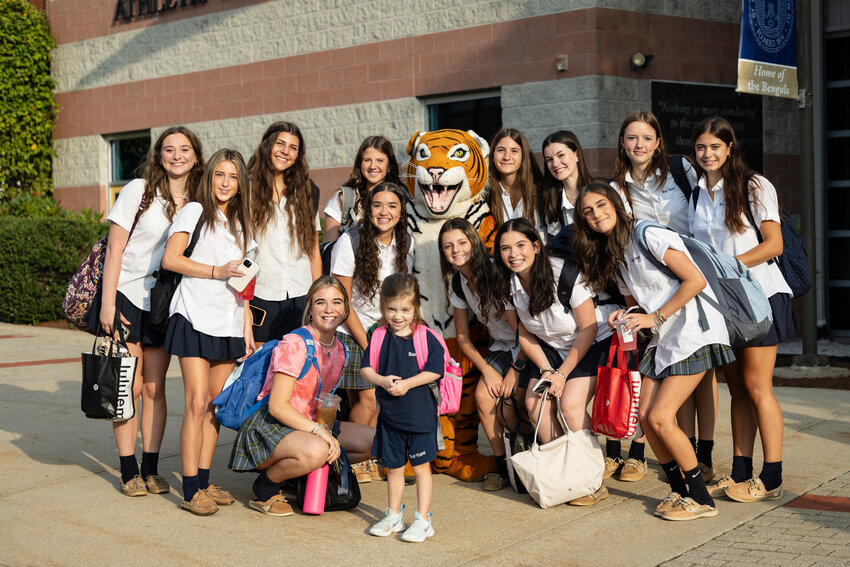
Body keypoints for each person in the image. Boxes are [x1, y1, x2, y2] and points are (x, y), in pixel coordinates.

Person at [573, 181, 734, 521]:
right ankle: (678, 492)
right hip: (665, 337)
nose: (596, 214)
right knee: (644, 419)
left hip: (694, 331)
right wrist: (627, 315)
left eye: (601, 205)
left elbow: (695, 280)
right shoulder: (614, 255)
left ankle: (702, 500)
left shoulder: (647, 233)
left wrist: (654, 316)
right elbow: (637, 304)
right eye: (588, 212)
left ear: (617, 205)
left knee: (660, 417)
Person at [92, 126, 204, 497]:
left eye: (184, 149)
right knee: (130, 387)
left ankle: (151, 468)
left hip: (164, 304)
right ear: (158, 155)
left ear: (196, 156)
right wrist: (108, 303)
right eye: (169, 149)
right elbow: (114, 250)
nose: (176, 155)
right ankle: (128, 469)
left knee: (155, 388)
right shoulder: (138, 191)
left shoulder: (198, 199)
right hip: (126, 299)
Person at [688, 116, 796, 503]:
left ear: (729, 148)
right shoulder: (698, 192)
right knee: (735, 389)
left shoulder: (755, 185)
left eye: (715, 147)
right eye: (701, 147)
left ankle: (771, 477)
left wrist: (728, 266)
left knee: (756, 386)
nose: (707, 154)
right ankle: (739, 473)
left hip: (761, 297)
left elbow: (774, 244)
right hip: (724, 304)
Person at [608, 110, 712, 483]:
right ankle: (683, 454)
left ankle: (706, 455)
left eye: (646, 138)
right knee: (672, 370)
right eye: (632, 138)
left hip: (695, 276)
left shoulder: (680, 170)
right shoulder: (617, 188)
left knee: (703, 372)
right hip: (654, 289)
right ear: (622, 143)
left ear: (657, 143)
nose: (639, 145)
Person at [491, 217, 616, 506]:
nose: (513, 254)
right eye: (505, 248)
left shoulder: (565, 273)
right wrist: (547, 369)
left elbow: (588, 328)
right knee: (535, 405)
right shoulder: (506, 283)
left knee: (571, 406)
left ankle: (592, 480)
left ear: (536, 246)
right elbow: (522, 332)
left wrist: (561, 374)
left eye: (521, 245)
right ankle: (568, 478)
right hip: (549, 347)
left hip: (593, 341)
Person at [228, 276, 375, 516]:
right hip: (271, 426)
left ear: (346, 309)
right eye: (321, 302)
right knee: (317, 451)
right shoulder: (295, 344)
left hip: (309, 424)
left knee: (377, 440)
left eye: (337, 302)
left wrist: (324, 428)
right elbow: (277, 407)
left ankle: (295, 474)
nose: (329, 309)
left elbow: (320, 401)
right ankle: (265, 486)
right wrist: (320, 433)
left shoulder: (341, 349)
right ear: (310, 309)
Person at [161, 148, 255, 515]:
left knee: (215, 408)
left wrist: (246, 322)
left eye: (233, 176)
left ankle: (203, 480)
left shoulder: (242, 222)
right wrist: (217, 271)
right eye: (220, 174)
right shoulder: (194, 210)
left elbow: (246, 279)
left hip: (228, 320)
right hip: (193, 315)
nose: (226, 183)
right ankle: (188, 490)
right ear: (209, 176)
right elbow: (172, 259)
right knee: (196, 403)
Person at [438, 217, 525, 492]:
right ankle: (501, 467)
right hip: (502, 347)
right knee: (481, 395)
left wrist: (515, 369)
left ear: (474, 242)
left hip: (530, 345)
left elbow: (524, 331)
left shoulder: (496, 272)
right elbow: (463, 338)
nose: (456, 250)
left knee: (517, 400)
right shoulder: (457, 282)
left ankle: (529, 461)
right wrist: (487, 370)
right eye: (448, 246)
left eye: (462, 242)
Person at [361, 273, 443, 542]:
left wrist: (407, 384)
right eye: (392, 309)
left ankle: (423, 519)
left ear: (416, 307)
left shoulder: (426, 337)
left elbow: (435, 371)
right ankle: (394, 515)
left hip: (420, 419)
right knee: (394, 469)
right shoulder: (379, 336)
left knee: (421, 469)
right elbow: (366, 370)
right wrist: (382, 381)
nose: (398, 316)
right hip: (390, 419)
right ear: (383, 307)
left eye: (405, 310)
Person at [330, 182, 414, 431]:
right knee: (367, 403)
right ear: (368, 210)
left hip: (388, 333)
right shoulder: (350, 241)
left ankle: (363, 461)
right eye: (377, 205)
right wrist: (370, 347)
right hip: (353, 332)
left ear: (401, 213)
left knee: (379, 403)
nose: (384, 212)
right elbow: (341, 302)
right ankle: (343, 458)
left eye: (392, 206)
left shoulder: (407, 242)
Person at [248, 121, 322, 344]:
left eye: (293, 147)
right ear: (267, 145)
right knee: (260, 370)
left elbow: (313, 251)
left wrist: (317, 298)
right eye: (280, 143)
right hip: (260, 295)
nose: (285, 151)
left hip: (301, 295)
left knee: (299, 371)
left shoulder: (307, 191)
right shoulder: (246, 189)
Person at [323, 135, 402, 242]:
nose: (373, 166)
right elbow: (329, 247)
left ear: (389, 166)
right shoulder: (343, 198)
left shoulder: (402, 197)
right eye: (367, 160)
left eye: (380, 160)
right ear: (360, 163)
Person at [487, 128, 543, 235]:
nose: (507, 157)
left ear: (523, 157)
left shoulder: (541, 194)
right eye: (501, 150)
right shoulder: (486, 196)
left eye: (514, 151)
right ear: (492, 156)